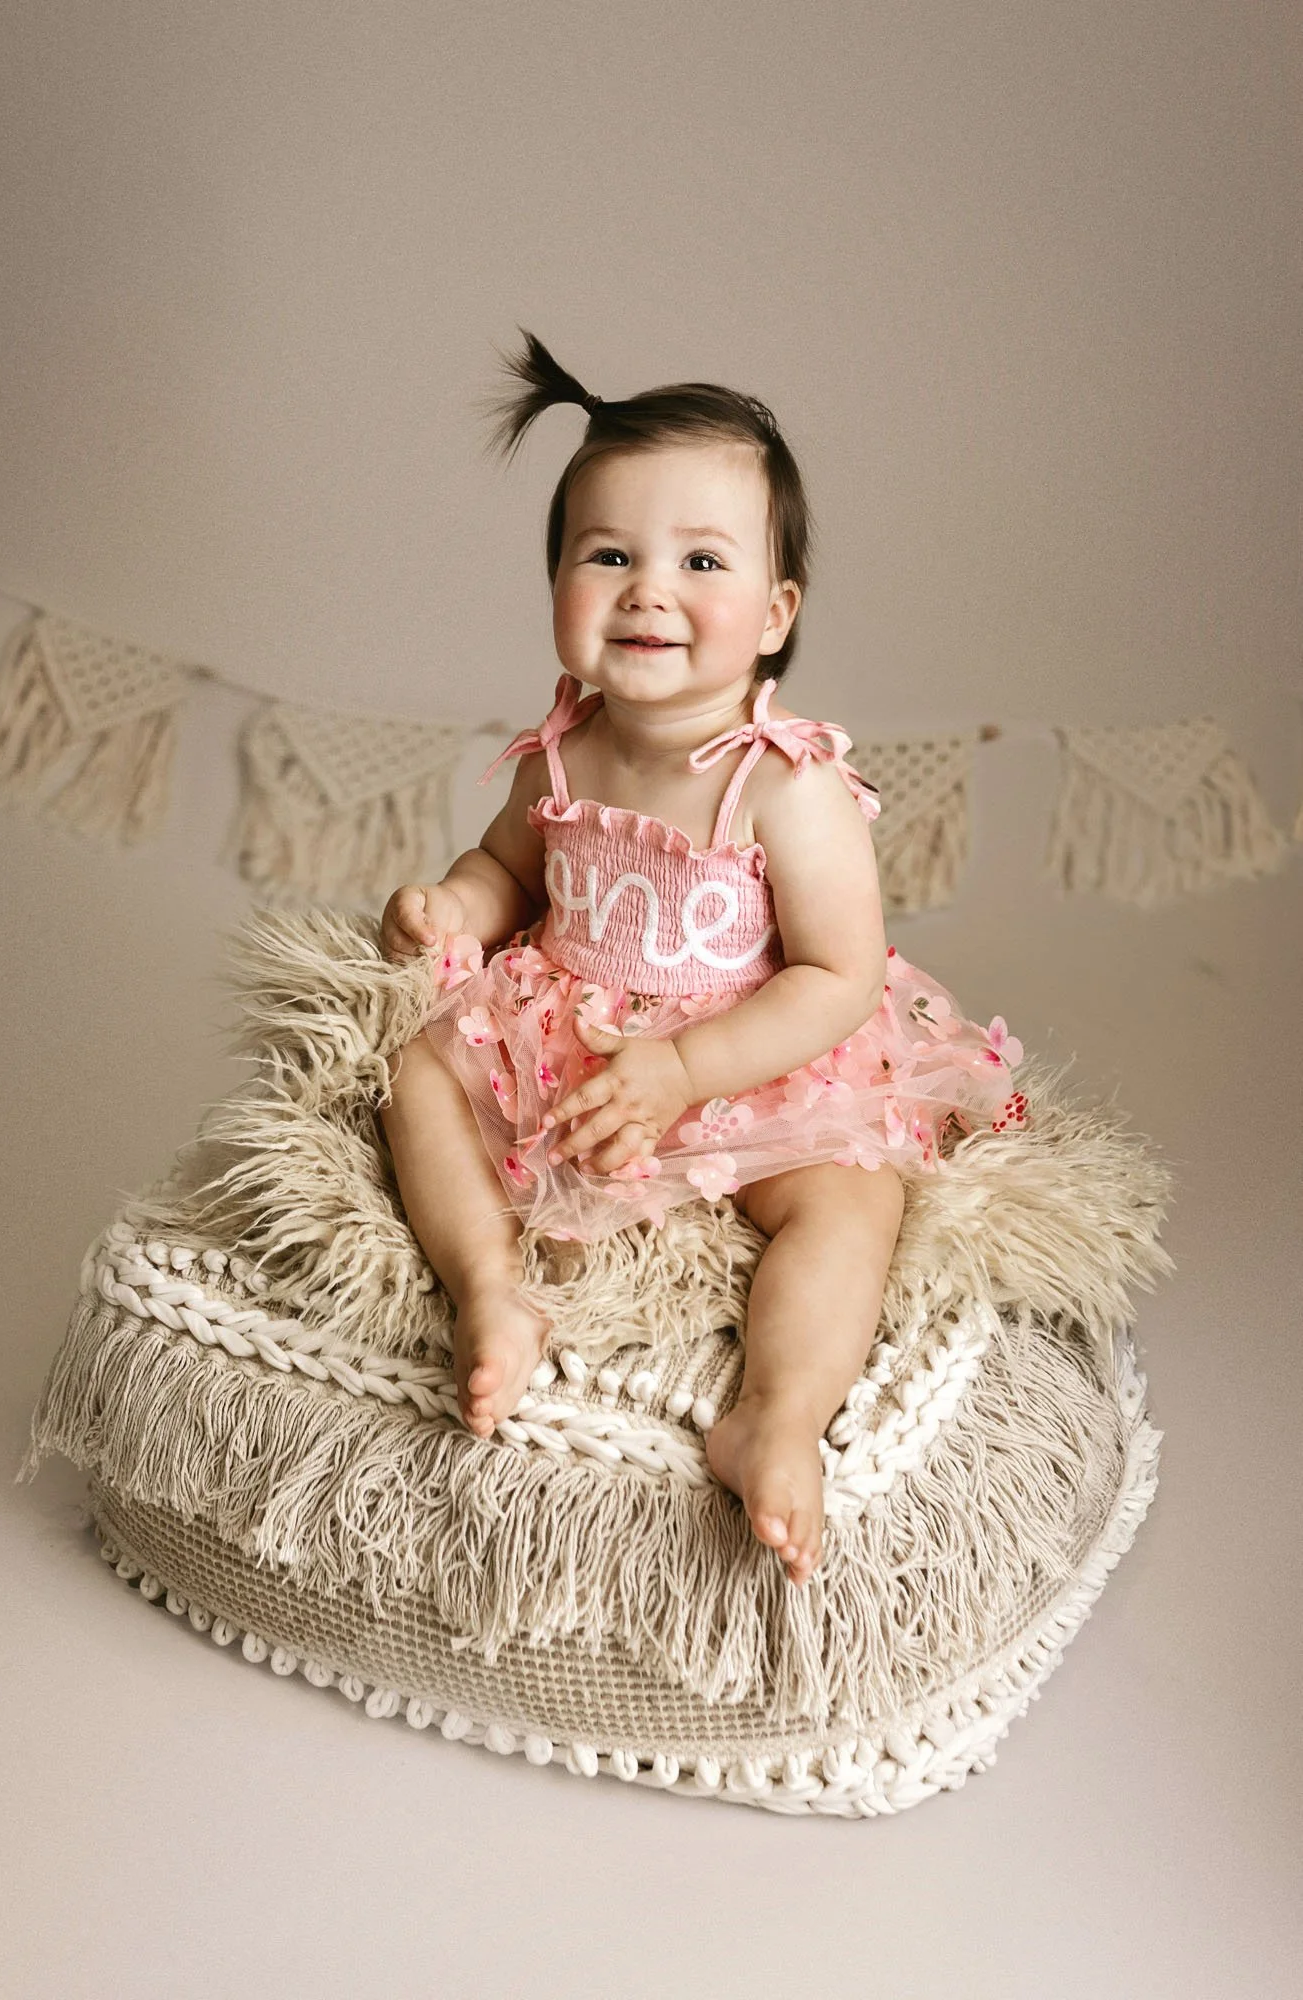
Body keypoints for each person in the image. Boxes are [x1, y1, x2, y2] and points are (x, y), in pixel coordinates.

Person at [377, 330, 1029, 1587]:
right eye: (607, 554)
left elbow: (837, 974)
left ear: (775, 614)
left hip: (747, 1051)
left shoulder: (791, 788)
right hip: (577, 1037)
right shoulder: (560, 753)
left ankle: (772, 1417)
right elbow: (510, 868)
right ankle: (488, 1289)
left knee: (850, 1198)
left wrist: (685, 1069)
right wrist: (452, 909)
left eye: (701, 561)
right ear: (556, 582)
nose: (647, 589)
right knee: (418, 1075)